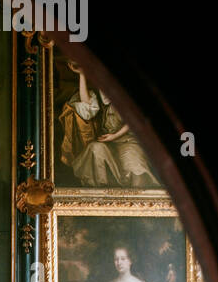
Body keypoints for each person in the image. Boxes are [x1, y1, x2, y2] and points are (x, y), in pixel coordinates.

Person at [58, 60, 158, 188]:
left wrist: (115, 136)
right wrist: (82, 74)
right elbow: (87, 105)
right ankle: (102, 197)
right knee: (95, 149)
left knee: (134, 165)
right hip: (107, 142)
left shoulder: (127, 95)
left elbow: (133, 121)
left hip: (128, 142)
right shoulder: (100, 95)